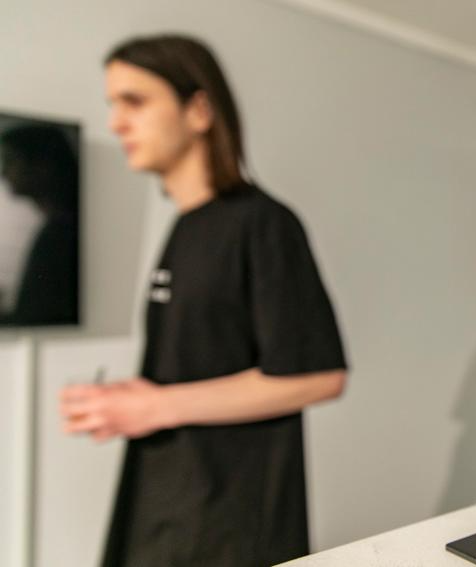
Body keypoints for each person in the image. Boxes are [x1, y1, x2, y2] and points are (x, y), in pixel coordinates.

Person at [58, 34, 349, 566]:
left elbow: (319, 375)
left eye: (134, 102)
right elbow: (202, 360)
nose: (116, 123)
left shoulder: (263, 224)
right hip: (162, 507)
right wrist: (139, 395)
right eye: (113, 105)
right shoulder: (185, 227)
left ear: (199, 110)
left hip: (228, 527)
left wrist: (153, 406)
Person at [0, 123, 80, 326]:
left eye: (11, 161)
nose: (4, 173)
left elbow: (34, 314)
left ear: (43, 166)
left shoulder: (59, 233)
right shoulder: (59, 227)